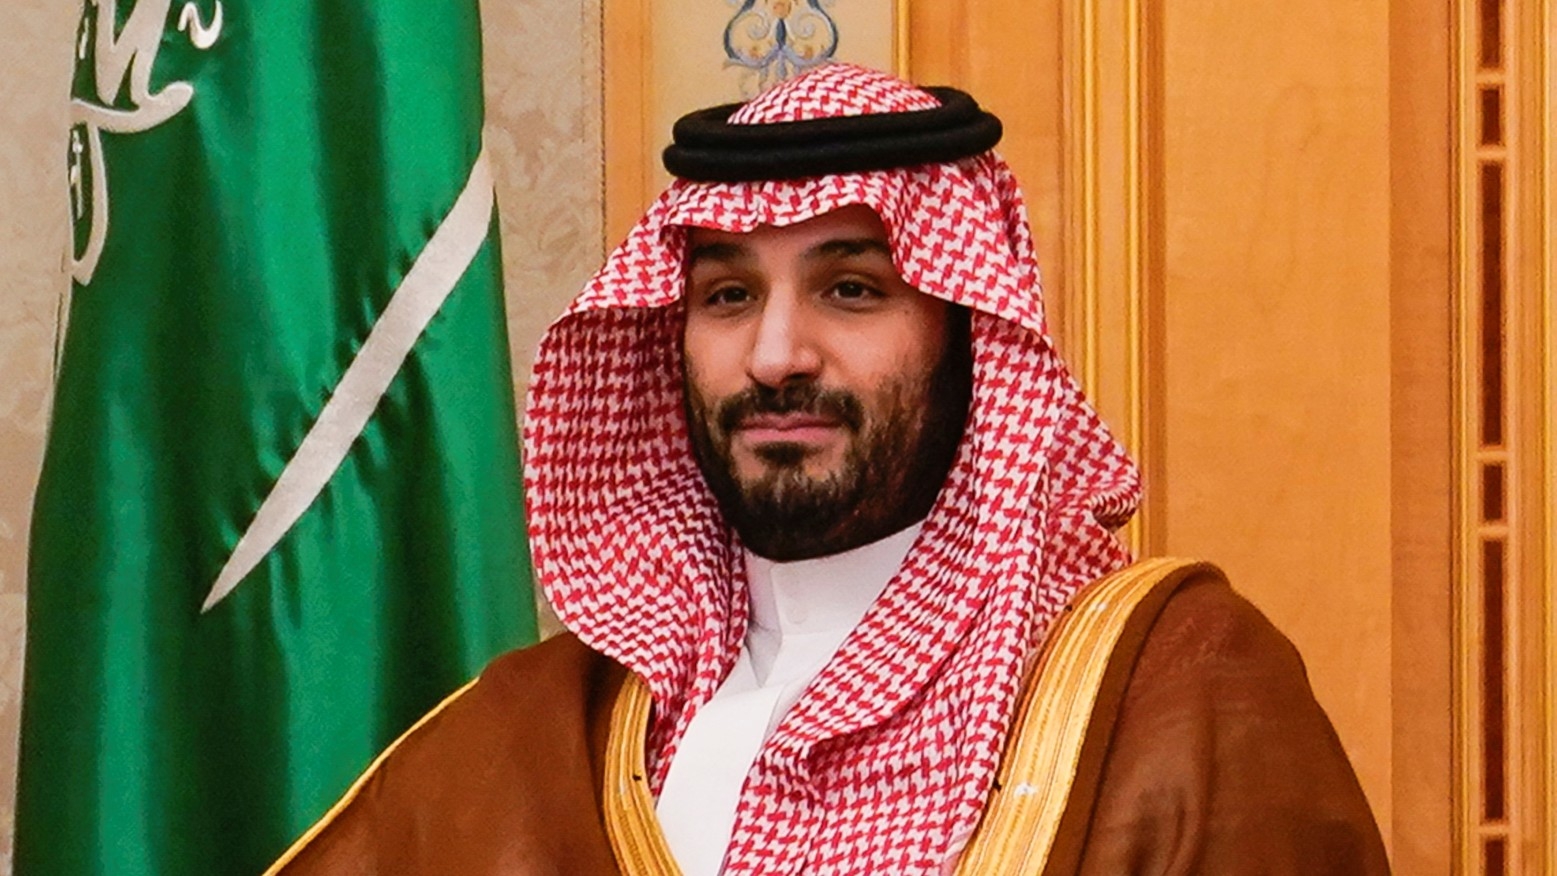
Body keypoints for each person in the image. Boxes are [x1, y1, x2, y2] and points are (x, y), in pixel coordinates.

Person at [267, 63, 1389, 875]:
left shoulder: (1179, 694)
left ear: (965, 331)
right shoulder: (540, 736)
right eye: (727, 295)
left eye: (851, 289)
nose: (775, 356)